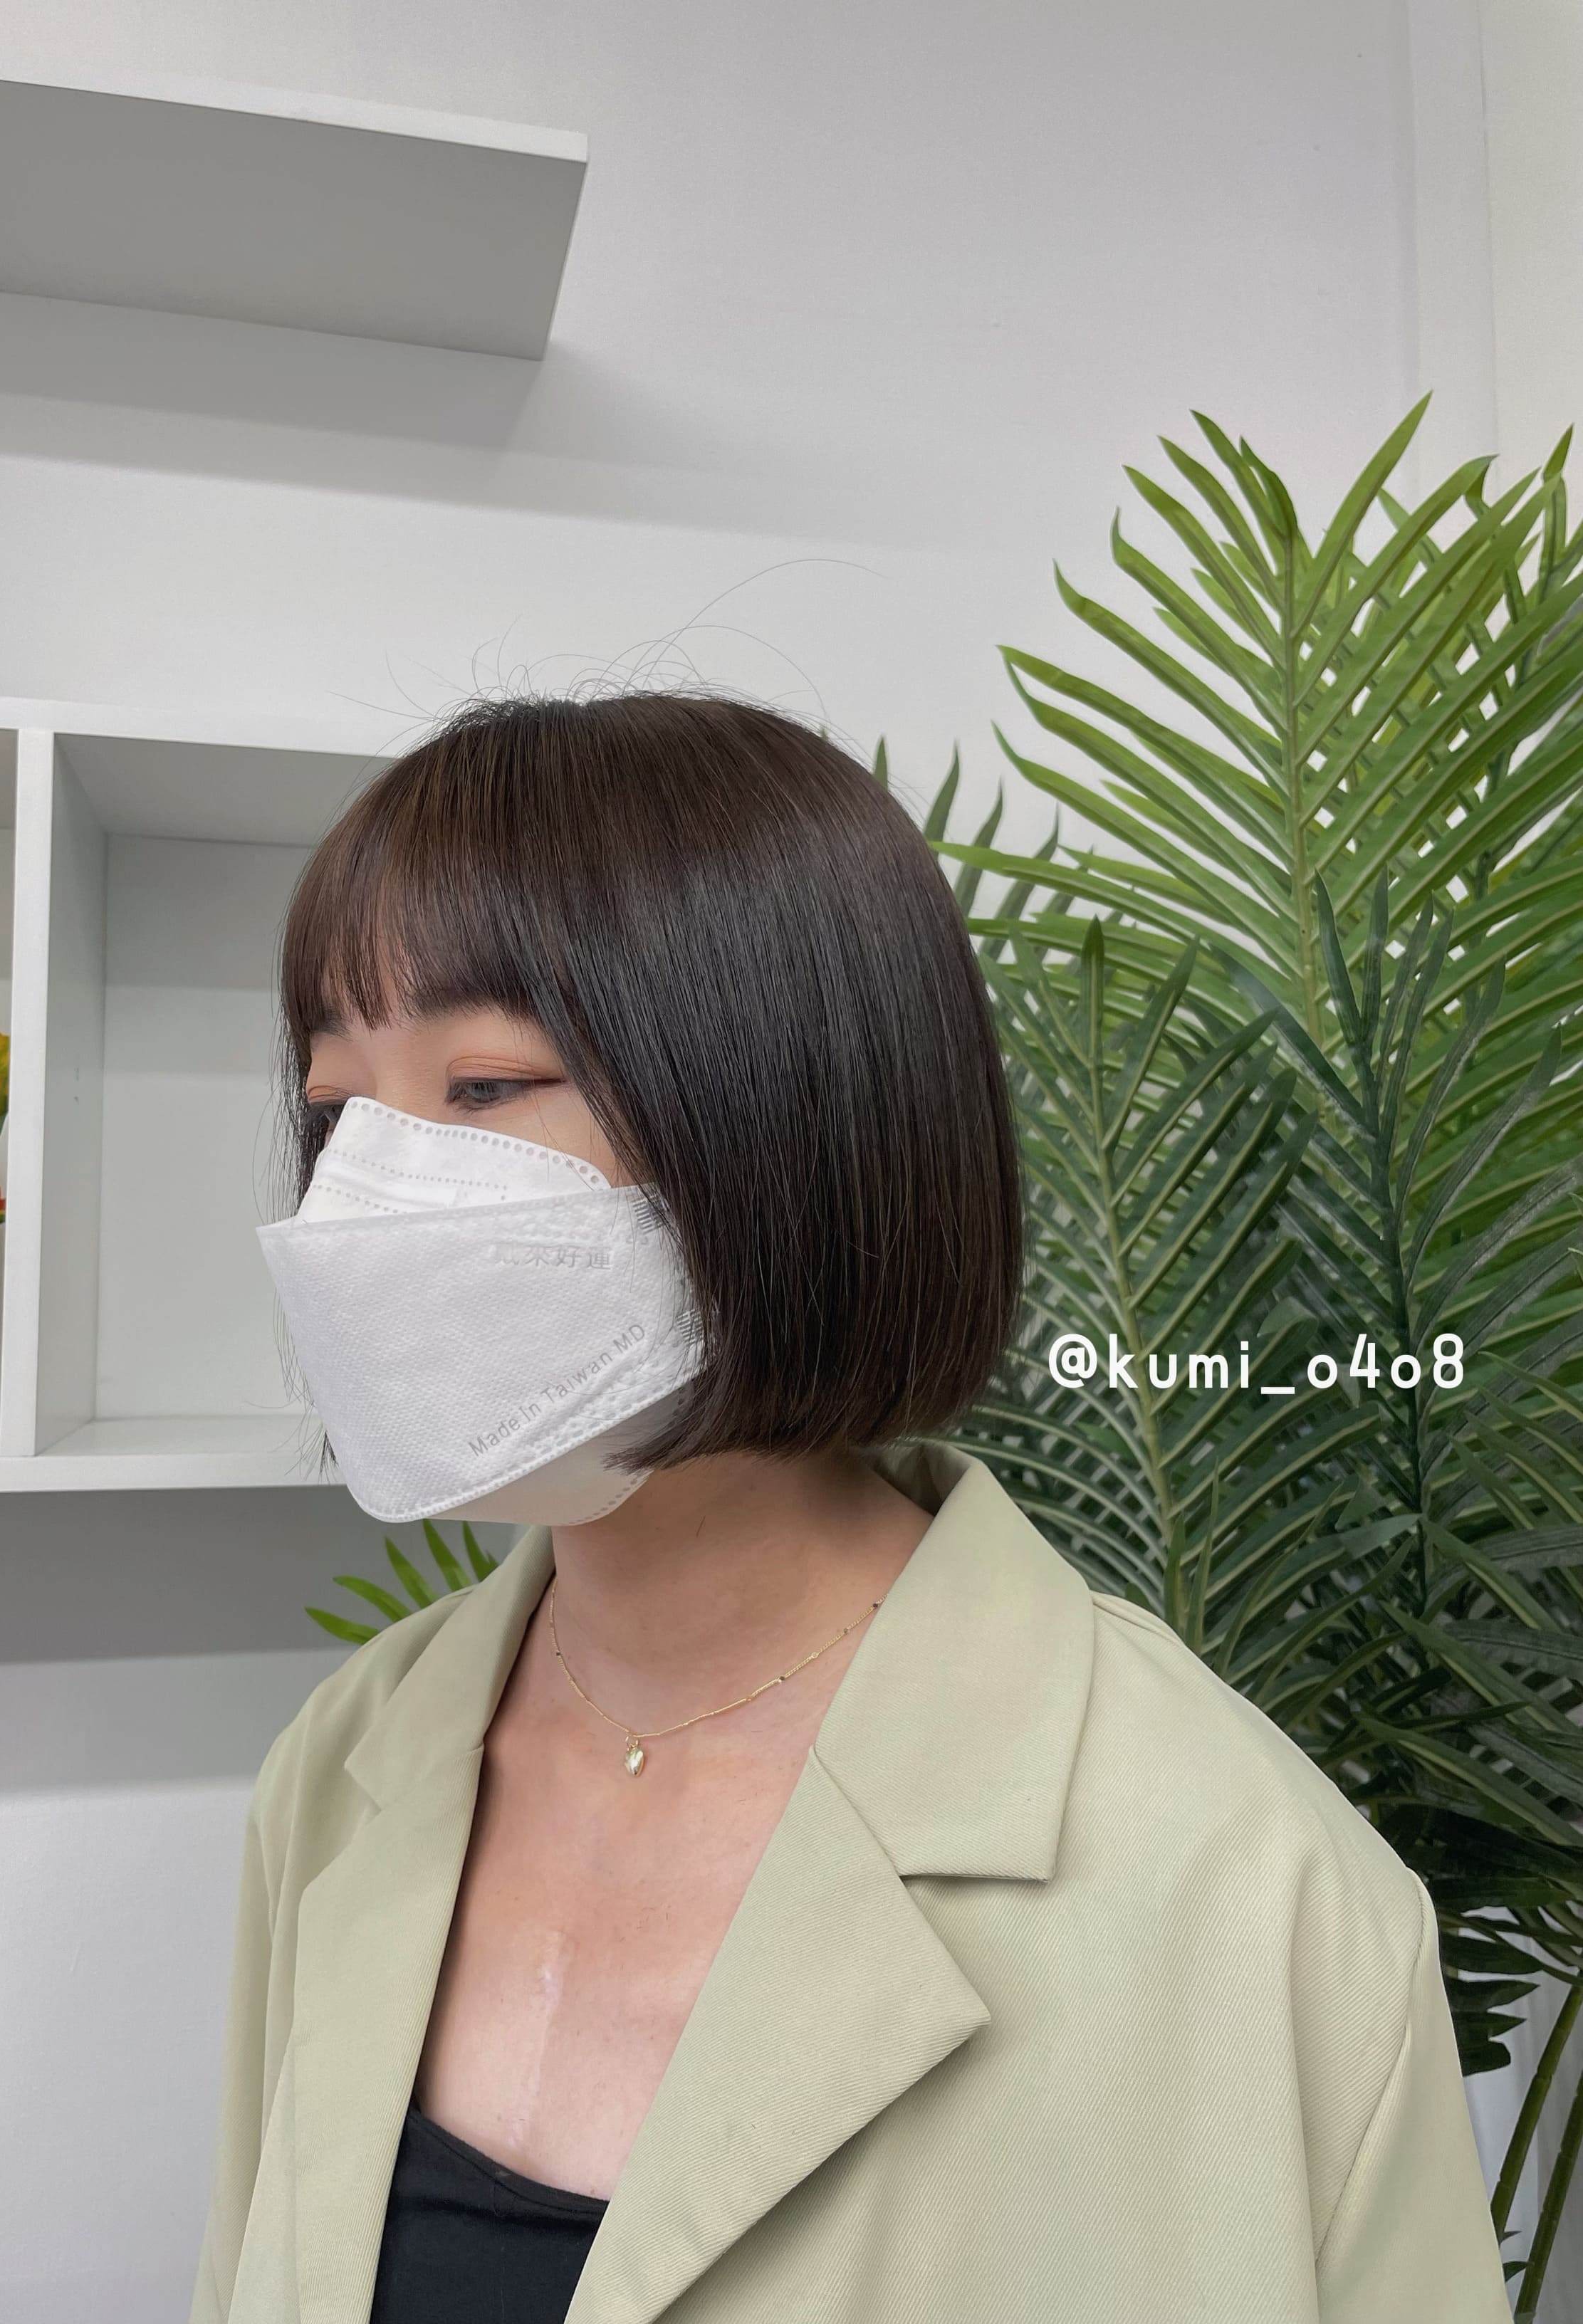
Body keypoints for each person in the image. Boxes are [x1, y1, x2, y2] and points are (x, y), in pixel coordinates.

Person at [188, 689, 1511, 2324]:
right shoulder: (340, 1772)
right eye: (337, 1107)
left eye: (482, 1086)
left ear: (795, 1112)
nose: (366, 1201)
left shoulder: (1250, 1887)